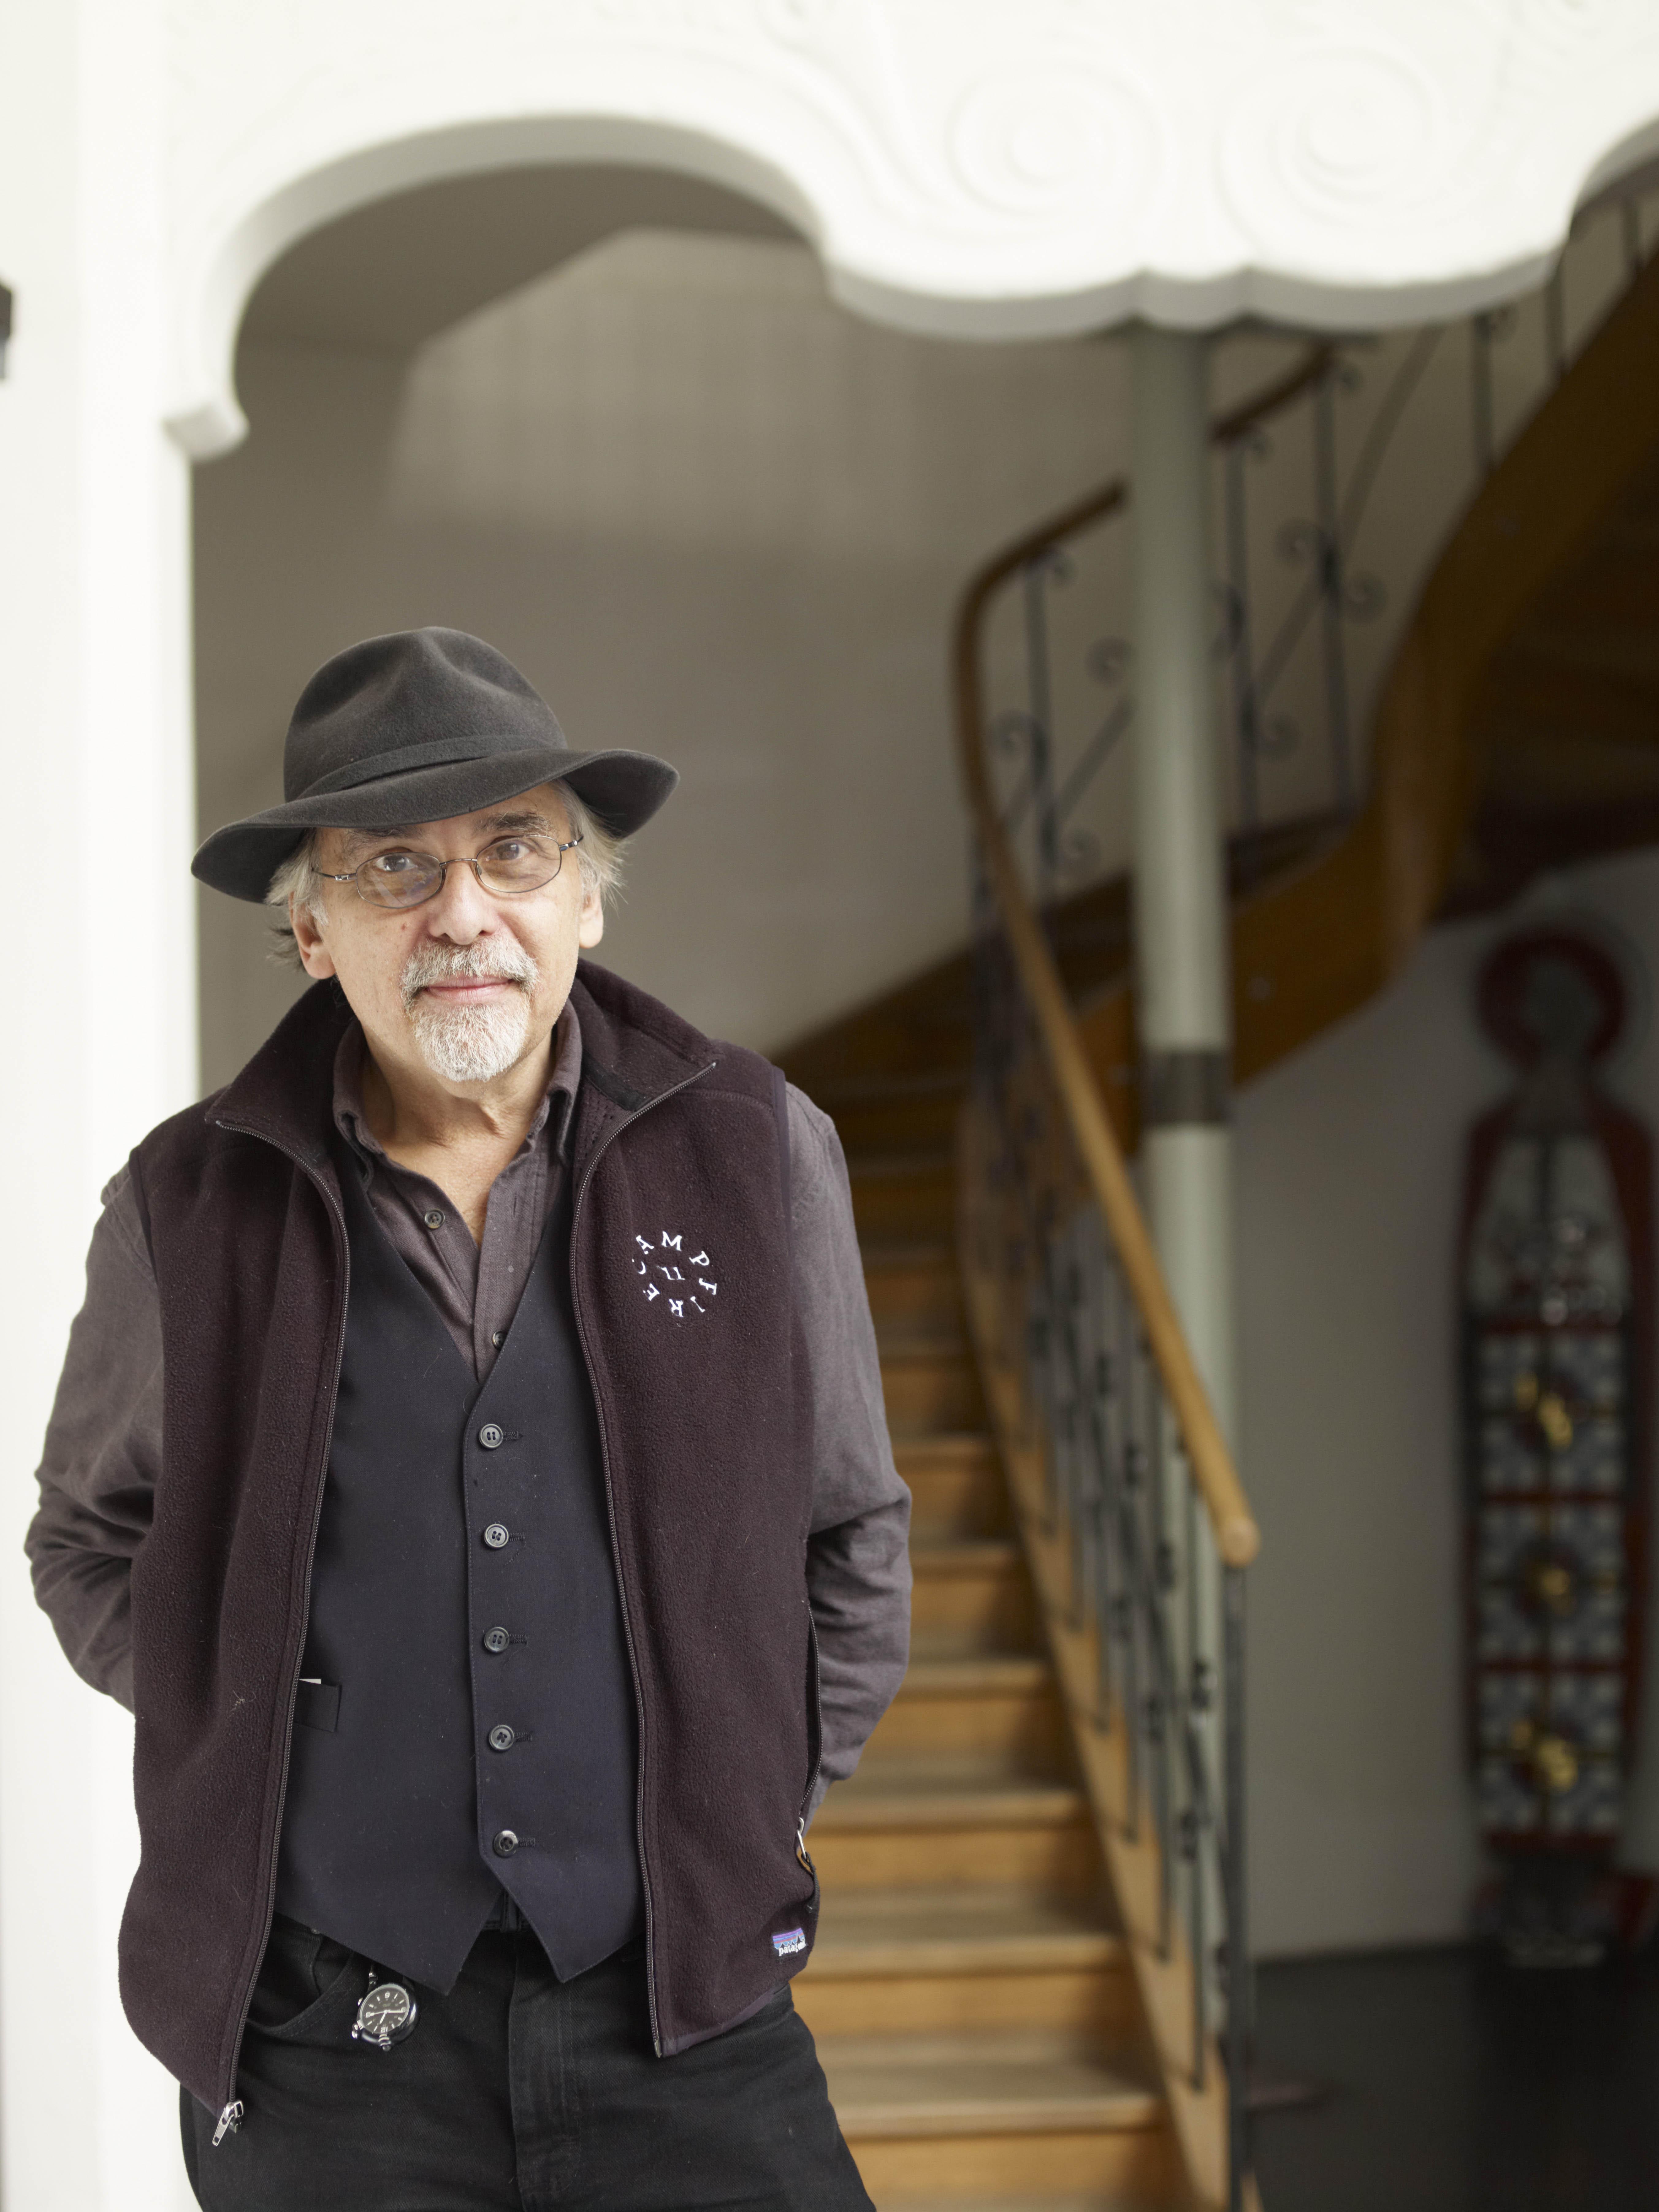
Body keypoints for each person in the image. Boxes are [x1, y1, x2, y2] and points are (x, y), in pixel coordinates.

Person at [27, 627, 911, 2210]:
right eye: (390, 869)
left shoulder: (759, 1149)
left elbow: (849, 1526)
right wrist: (243, 1732)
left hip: (685, 2019)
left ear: (582, 894)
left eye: (512, 852)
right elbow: (92, 1535)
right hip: (327, 2038)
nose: (460, 915)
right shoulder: (185, 1201)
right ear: (308, 932)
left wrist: (746, 1789)